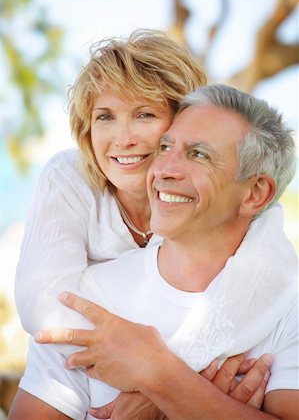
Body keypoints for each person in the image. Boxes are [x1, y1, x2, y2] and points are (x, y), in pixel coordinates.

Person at [10, 85, 298, 419]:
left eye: (199, 155)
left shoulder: (289, 306)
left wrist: (160, 375)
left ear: (255, 193)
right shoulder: (87, 299)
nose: (164, 170)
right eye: (165, 147)